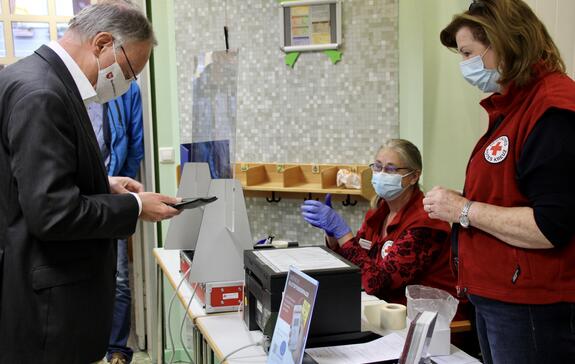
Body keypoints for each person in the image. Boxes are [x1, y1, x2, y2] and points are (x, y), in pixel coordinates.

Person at [0, 2, 181, 363]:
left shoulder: (28, 75)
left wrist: (102, 182)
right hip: (48, 313)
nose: (127, 84)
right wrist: (135, 206)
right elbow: (51, 213)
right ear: (102, 44)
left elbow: (28, 181)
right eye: (130, 71)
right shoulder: (43, 94)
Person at [423, 0, 575, 363]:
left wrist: (463, 209)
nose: (465, 66)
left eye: (468, 53)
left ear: (503, 42)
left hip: (533, 306)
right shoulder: (512, 107)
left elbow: (549, 225)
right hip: (497, 297)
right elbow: (508, 195)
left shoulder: (552, 109)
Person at [301, 139, 464, 314]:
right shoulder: (378, 214)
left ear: (414, 176)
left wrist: (343, 233)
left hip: (428, 322)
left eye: (391, 169)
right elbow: (356, 263)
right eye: (378, 167)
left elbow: (378, 283)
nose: (382, 174)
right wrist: (332, 234)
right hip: (386, 311)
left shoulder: (427, 223)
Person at [87, 80, 144, 364]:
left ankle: (117, 349)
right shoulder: (71, 87)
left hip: (114, 192)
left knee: (119, 276)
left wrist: (122, 190)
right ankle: (85, 346)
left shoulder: (128, 90)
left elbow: (135, 144)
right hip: (80, 194)